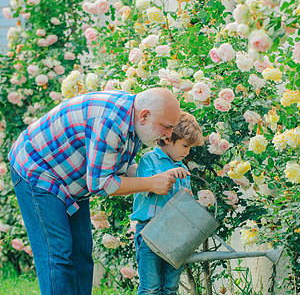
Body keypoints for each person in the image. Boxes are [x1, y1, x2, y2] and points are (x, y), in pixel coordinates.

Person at [8, 87, 181, 295]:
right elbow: (101, 183)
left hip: (70, 177)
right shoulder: (111, 121)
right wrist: (151, 183)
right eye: (167, 127)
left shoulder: (133, 121)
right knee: (58, 254)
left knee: (81, 252)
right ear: (145, 115)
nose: (169, 136)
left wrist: (158, 176)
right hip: (38, 169)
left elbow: (116, 167)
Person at [131, 111, 204, 295]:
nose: (187, 151)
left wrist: (186, 197)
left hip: (175, 233)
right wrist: (168, 176)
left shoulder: (183, 168)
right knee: (150, 287)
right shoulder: (149, 160)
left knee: (170, 287)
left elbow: (184, 209)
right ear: (167, 139)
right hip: (150, 231)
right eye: (185, 145)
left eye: (190, 147)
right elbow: (145, 187)